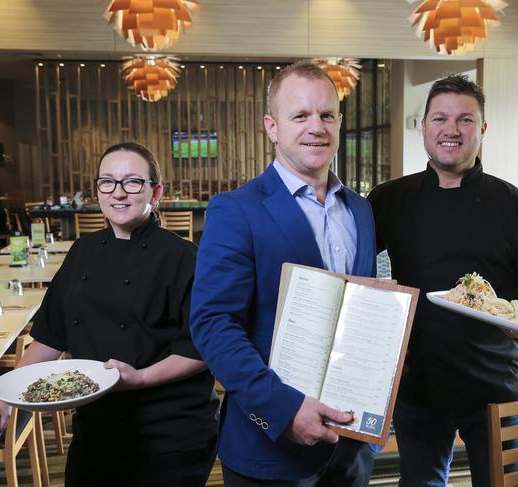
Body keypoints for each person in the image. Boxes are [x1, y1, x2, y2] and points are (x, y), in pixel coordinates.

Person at [367, 74, 518, 487]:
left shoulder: (515, 205)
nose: (451, 130)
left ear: (481, 129)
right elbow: (350, 269)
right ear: (423, 126)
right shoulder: (390, 199)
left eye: (465, 120)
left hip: (495, 385)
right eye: (440, 118)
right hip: (418, 384)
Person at [0, 142, 219, 487]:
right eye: (108, 181)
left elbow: (202, 349)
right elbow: (50, 335)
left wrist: (140, 378)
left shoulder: (185, 258)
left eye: (132, 182)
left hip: (170, 431)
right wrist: (4, 397)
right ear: (97, 191)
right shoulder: (82, 252)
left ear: (157, 192)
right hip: (96, 425)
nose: (118, 193)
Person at [189, 61, 376, 485]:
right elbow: (213, 324)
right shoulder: (236, 209)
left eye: (327, 115)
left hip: (350, 442)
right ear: (272, 126)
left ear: (340, 122)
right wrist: (284, 409)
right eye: (300, 116)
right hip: (271, 445)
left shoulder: (361, 210)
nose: (317, 127)